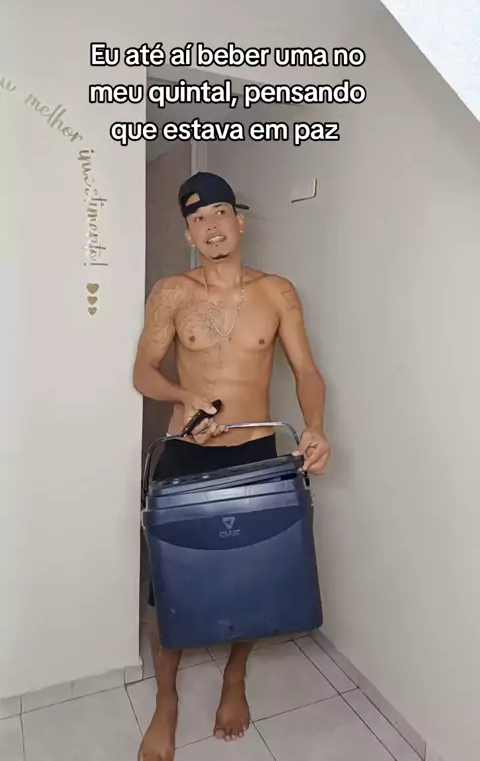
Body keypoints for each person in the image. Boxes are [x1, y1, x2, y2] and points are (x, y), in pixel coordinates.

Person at [133, 171, 331, 761]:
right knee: (171, 581)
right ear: (189, 234)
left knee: (251, 577)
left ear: (239, 222)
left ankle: (235, 677)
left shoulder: (277, 292)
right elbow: (142, 372)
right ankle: (166, 700)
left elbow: (307, 371)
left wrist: (316, 426)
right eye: (197, 218)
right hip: (187, 450)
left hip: (254, 451)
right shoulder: (172, 292)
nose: (210, 225)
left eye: (219, 212)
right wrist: (182, 394)